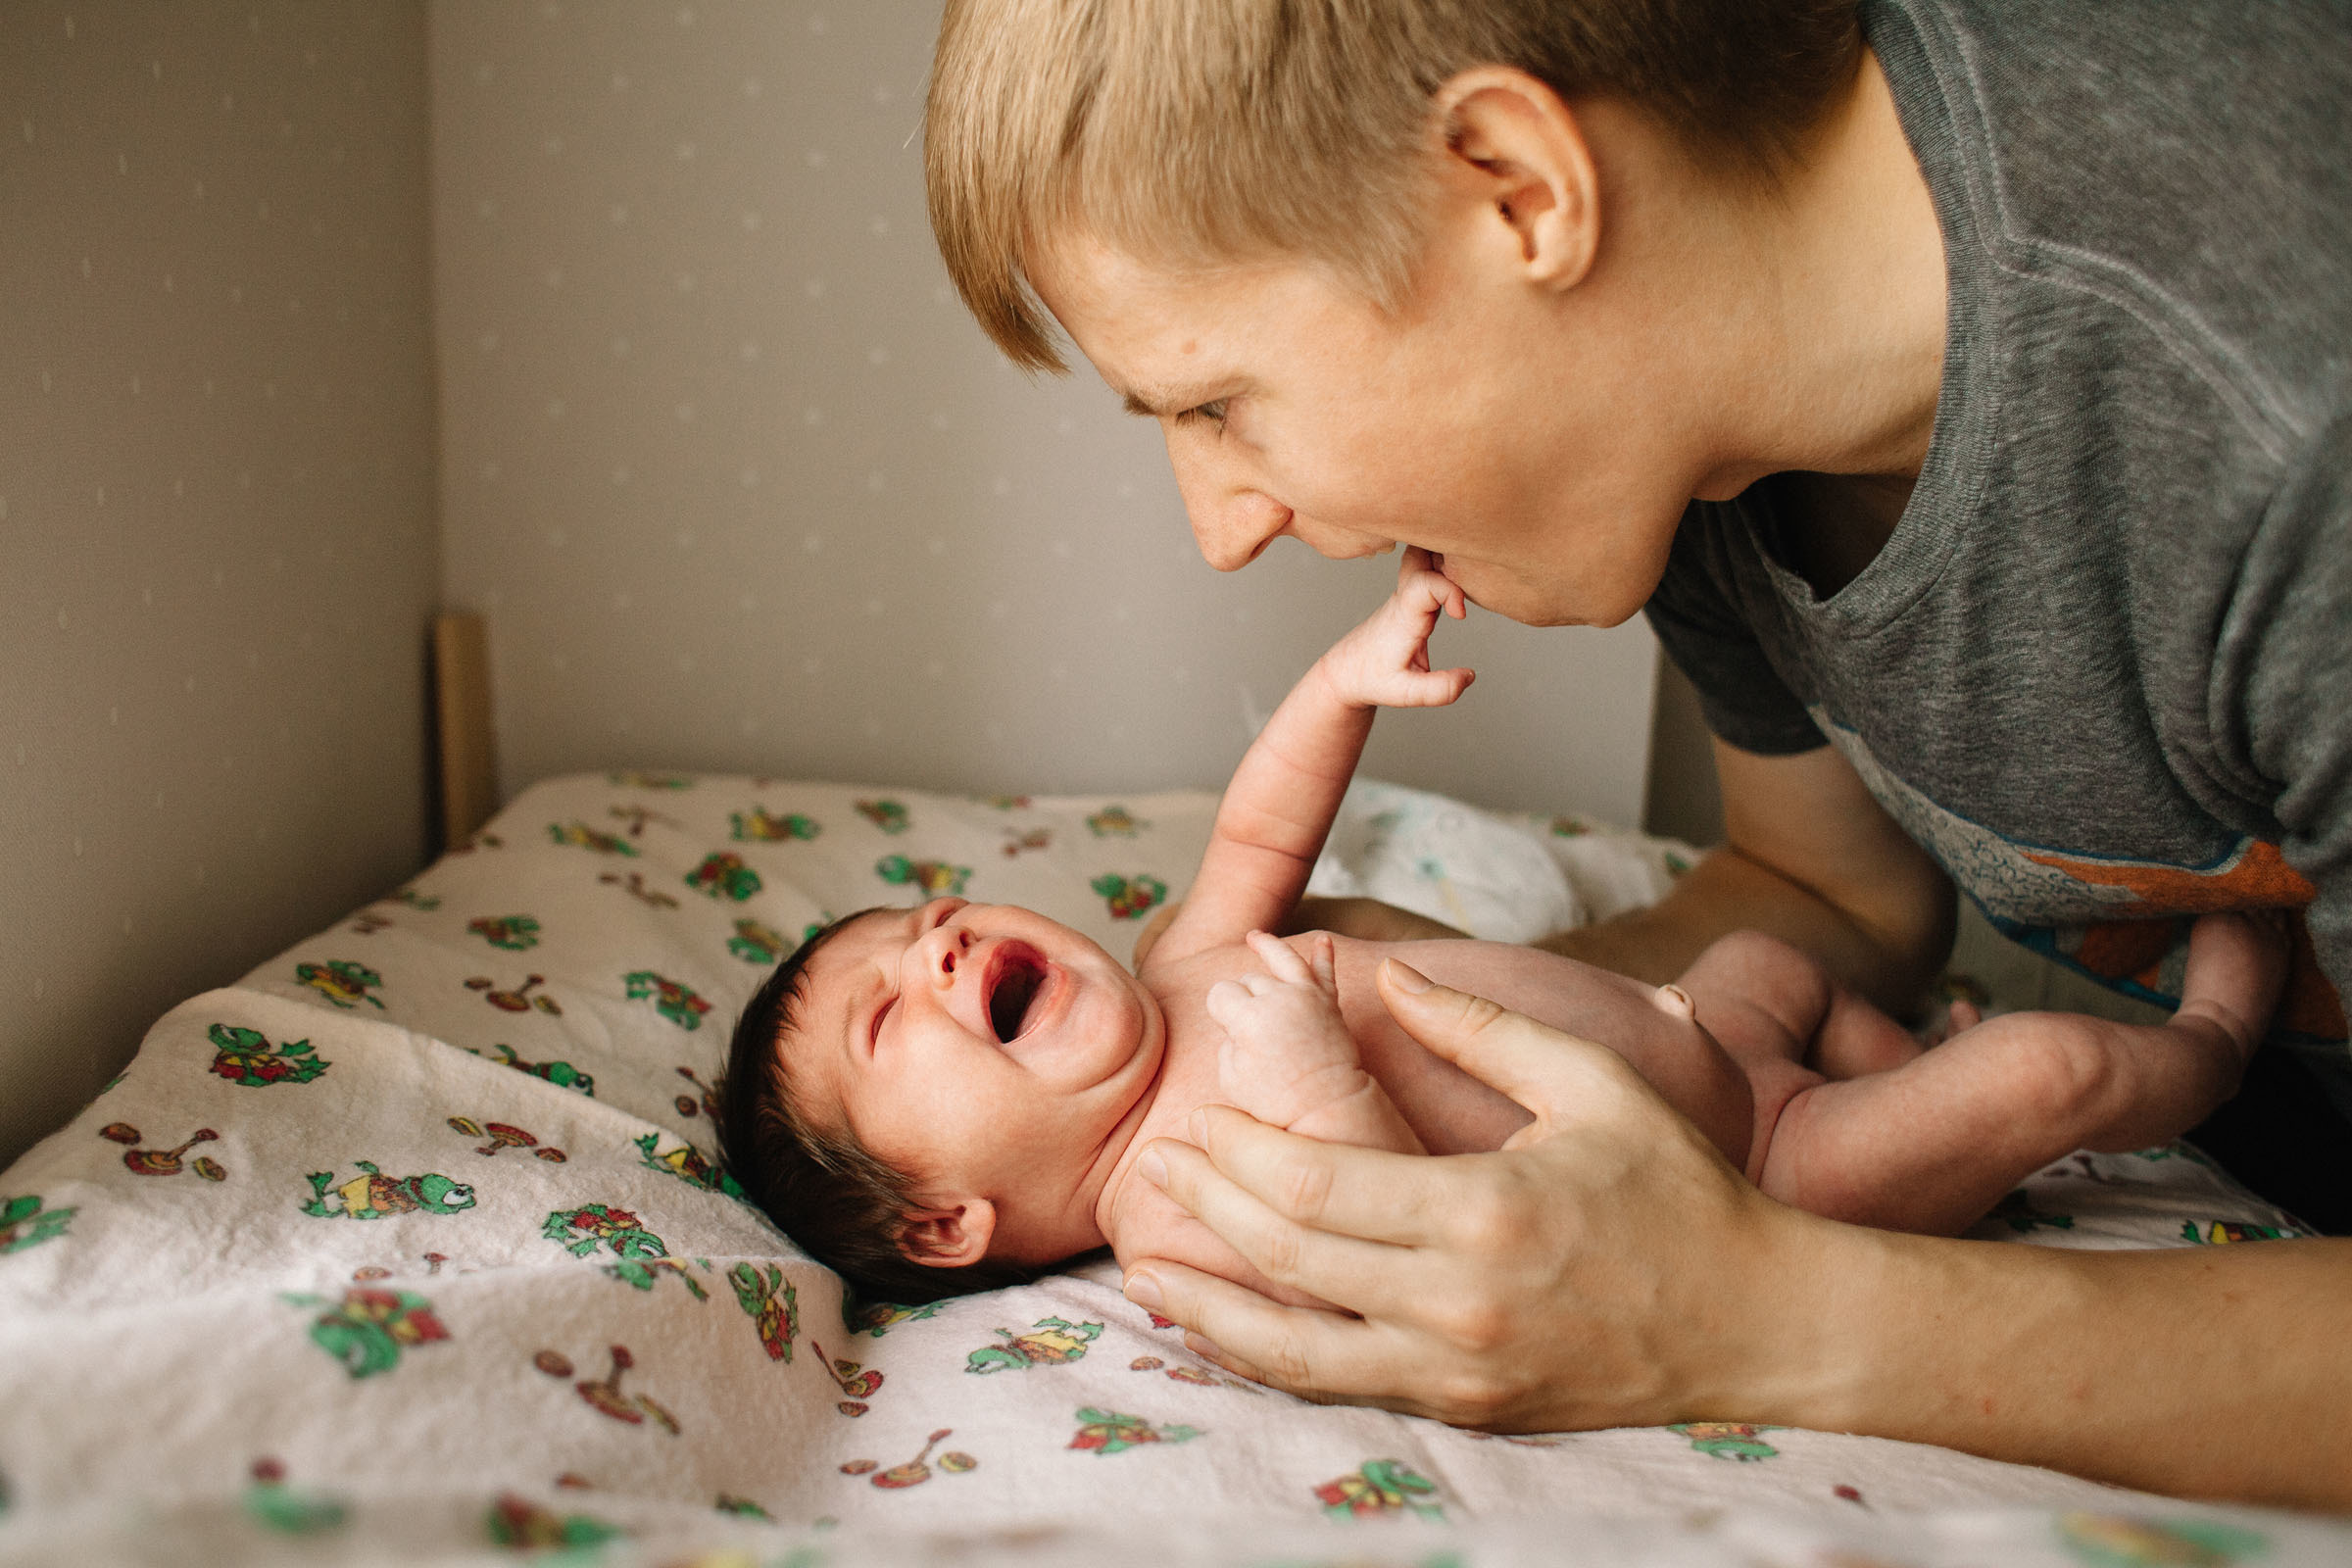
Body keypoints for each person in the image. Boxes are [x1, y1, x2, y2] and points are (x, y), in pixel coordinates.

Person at [922, 0, 2351, 1508]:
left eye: (1214, 401)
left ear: (1520, 190)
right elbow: (1826, 896)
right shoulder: (1697, 421)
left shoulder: (2281, 410)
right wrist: (1445, 1023)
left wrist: (1758, 1317)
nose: (1223, 533)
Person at [718, 554, 2283, 1305]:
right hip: (1751, 1177)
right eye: (886, 1018)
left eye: (930, 921)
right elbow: (1415, 1255)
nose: (934, 955)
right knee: (2043, 1075)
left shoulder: (1184, 969)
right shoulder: (1178, 1211)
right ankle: (2207, 1048)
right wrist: (1322, 1078)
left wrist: (1338, 690)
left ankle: (1901, 1060)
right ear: (944, 1225)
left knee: (1779, 966)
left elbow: (1263, 830)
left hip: (1712, 1034)